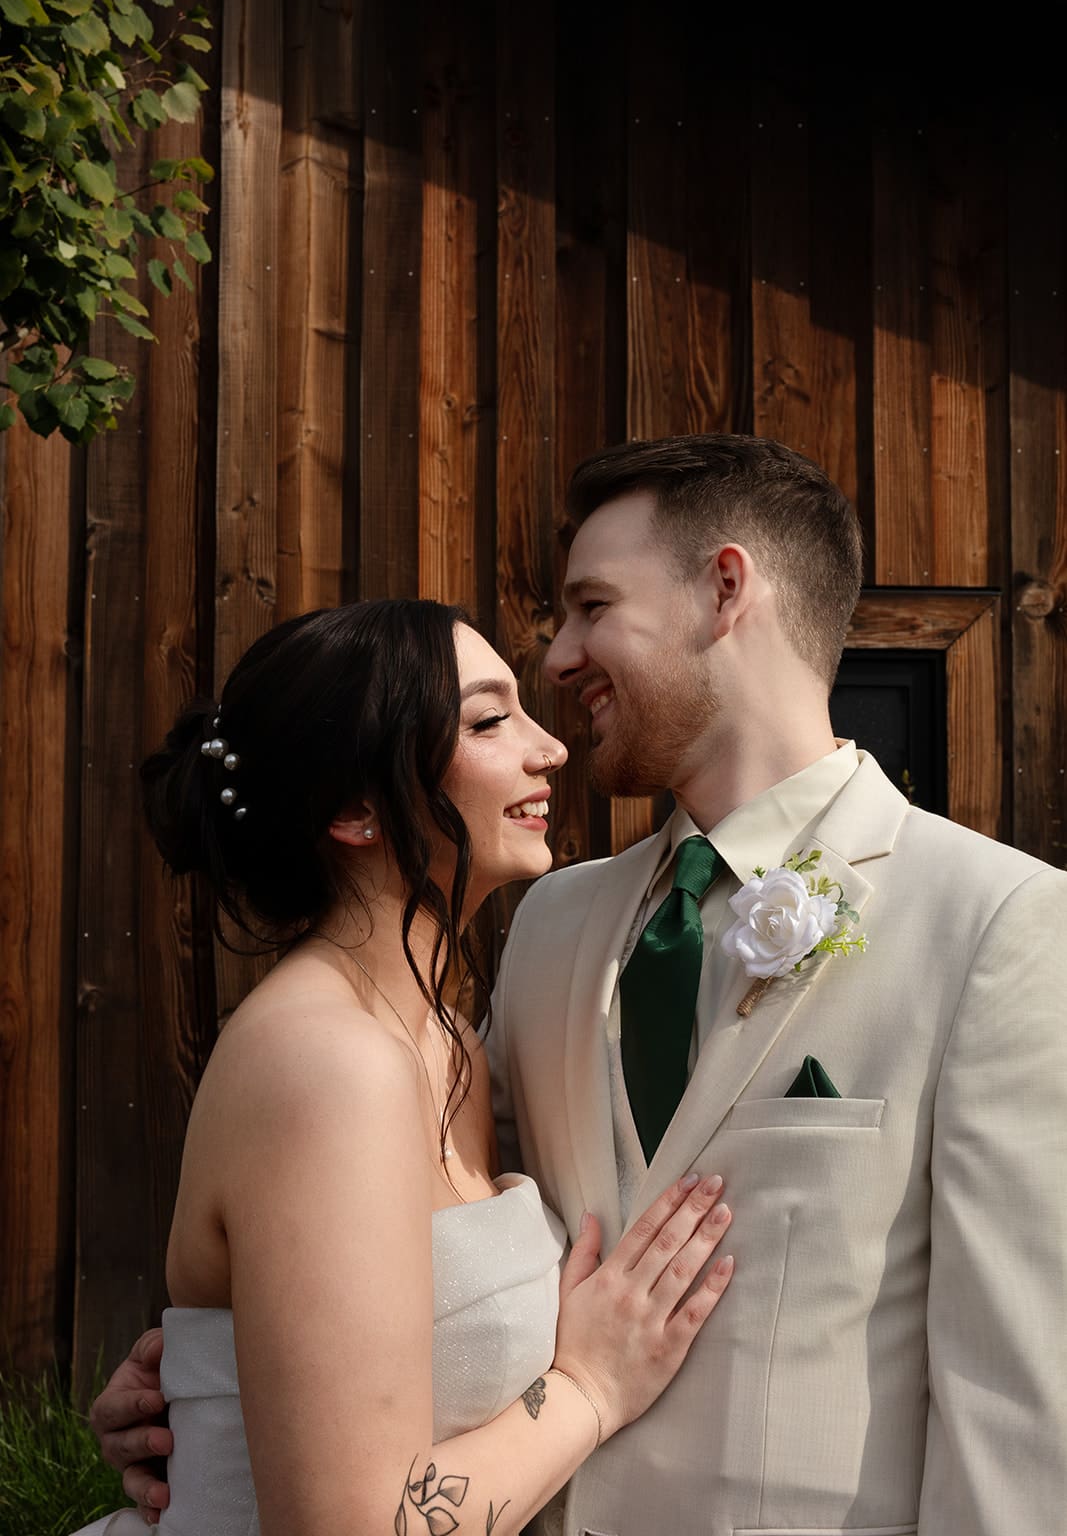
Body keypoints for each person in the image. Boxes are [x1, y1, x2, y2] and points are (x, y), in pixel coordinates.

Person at [95, 431, 1067, 1534]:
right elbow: (383, 1244)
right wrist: (220, 1376)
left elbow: (1014, 1422)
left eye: (589, 607)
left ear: (724, 589)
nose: (559, 660)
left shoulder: (991, 923)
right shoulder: (553, 924)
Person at [73, 598, 735, 1536]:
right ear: (354, 809)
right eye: (489, 720)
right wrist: (590, 1384)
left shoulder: (449, 1040)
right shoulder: (327, 1063)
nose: (549, 749)